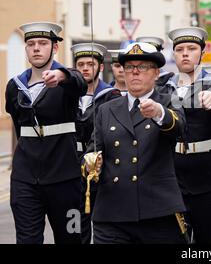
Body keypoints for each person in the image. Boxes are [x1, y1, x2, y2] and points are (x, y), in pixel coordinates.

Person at [83, 42, 186, 244]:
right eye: (129, 67)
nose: (135, 72)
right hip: (112, 213)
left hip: (157, 211)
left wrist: (159, 113)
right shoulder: (107, 109)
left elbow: (180, 129)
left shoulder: (168, 101)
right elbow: (92, 150)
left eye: (143, 67)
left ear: (156, 73)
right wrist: (90, 163)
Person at [5, 22, 87, 244]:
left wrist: (61, 76)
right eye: (31, 44)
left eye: (43, 43)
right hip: (25, 178)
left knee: (71, 238)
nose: (36, 48)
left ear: (55, 48)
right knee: (27, 240)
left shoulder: (68, 79)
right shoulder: (15, 86)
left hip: (65, 178)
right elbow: (18, 125)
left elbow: (79, 83)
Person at [160, 27, 211, 244]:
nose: (185, 53)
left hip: (208, 177)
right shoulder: (164, 85)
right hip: (172, 176)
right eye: (179, 49)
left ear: (202, 53)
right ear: (173, 54)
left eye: (191, 48)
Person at [71, 43, 121, 244]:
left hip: (102, 169)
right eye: (80, 64)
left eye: (90, 64)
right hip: (71, 168)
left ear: (100, 67)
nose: (85, 68)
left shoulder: (111, 96)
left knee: (106, 229)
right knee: (74, 228)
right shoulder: (68, 94)